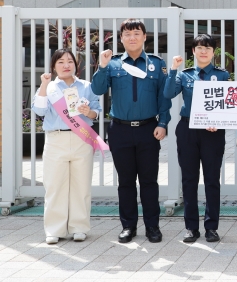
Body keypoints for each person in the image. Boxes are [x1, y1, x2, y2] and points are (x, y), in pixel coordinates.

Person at [92, 19, 171, 244]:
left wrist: (163, 123)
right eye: (127, 34)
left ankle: (152, 227)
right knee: (125, 182)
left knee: (149, 181)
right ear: (121, 38)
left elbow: (163, 97)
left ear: (145, 37)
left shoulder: (156, 64)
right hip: (120, 130)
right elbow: (97, 89)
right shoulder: (114, 63)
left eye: (137, 33)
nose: (132, 37)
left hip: (148, 129)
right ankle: (128, 226)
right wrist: (103, 66)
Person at [164, 34, 229, 244]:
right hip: (188, 129)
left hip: (212, 132)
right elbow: (168, 94)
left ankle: (211, 227)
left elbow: (227, 105)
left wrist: (218, 121)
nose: (203, 51)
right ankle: (191, 228)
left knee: (212, 180)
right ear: (193, 51)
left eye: (208, 48)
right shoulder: (184, 75)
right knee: (189, 179)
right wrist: (173, 69)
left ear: (213, 52)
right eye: (199, 47)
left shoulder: (222, 75)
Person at [32, 49, 101, 244]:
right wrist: (44, 85)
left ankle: (79, 227)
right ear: (54, 66)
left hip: (81, 139)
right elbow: (39, 110)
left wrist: (89, 112)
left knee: (81, 185)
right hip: (56, 140)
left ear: (75, 65)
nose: (66, 65)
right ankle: (54, 229)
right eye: (61, 61)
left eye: (70, 61)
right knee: (55, 185)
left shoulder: (86, 86)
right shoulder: (50, 87)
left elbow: (97, 110)